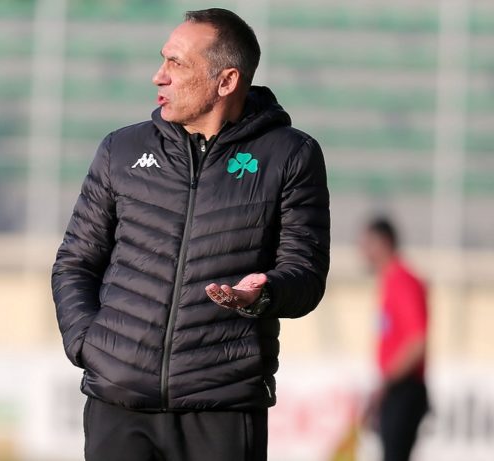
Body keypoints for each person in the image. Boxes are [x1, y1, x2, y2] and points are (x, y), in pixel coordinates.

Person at [52, 8, 330, 461]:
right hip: (118, 403)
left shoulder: (290, 156)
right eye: (163, 59)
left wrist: (263, 293)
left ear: (226, 81)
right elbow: (75, 262)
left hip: (222, 406)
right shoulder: (121, 150)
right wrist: (88, 344)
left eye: (176, 63)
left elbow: (306, 275)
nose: (158, 75)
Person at [360, 218, 429, 461]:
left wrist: (386, 383)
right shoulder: (389, 281)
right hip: (395, 389)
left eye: (367, 244)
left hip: (404, 389)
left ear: (384, 243)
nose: (363, 252)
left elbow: (417, 342)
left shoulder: (403, 281)